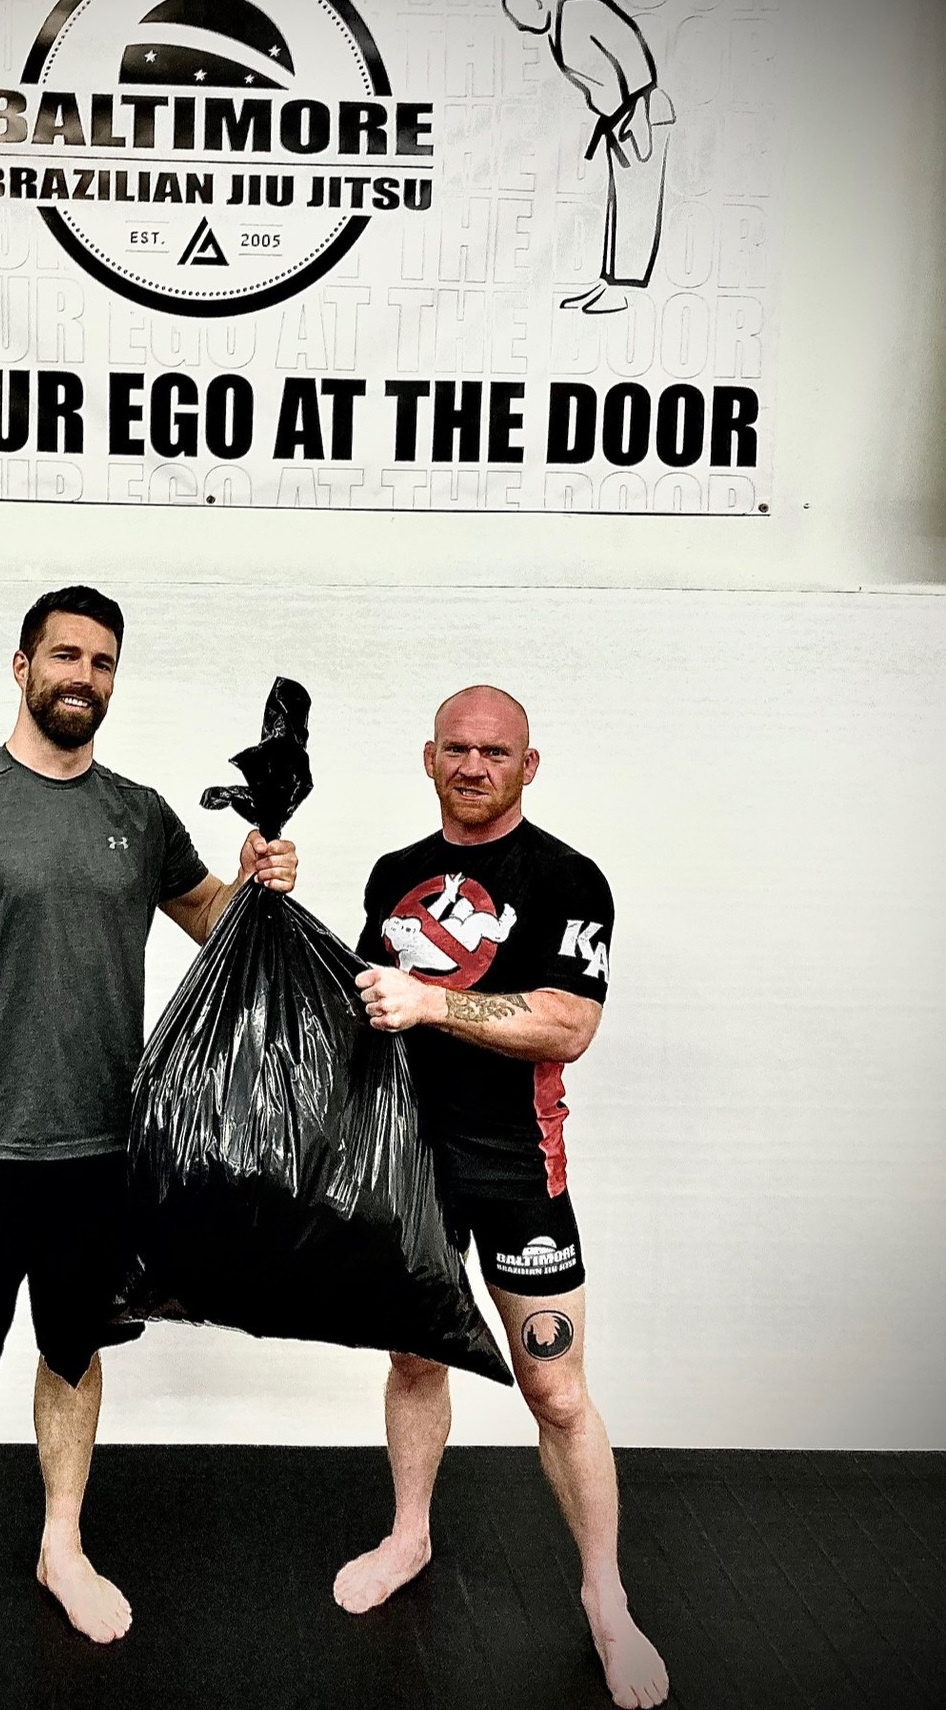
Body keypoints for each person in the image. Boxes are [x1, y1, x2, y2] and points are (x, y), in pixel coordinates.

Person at [0, 586, 297, 1677]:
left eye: (104, 662)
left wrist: (262, 884)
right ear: (23, 664)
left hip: (101, 1151)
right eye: (66, 656)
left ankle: (62, 1546)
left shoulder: (140, 813)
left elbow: (216, 924)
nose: (84, 677)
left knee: (74, 1353)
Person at [340, 685, 668, 1710]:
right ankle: (409, 1536)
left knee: (558, 1393)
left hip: (519, 1173)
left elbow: (568, 1025)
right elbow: (359, 1005)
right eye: (456, 749)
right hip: (409, 1167)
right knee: (413, 1356)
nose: (473, 765)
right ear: (428, 758)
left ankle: (605, 1599)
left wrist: (434, 1000)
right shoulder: (396, 876)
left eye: (495, 751)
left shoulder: (569, 879)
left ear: (529, 765)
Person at [502, 0, 675, 316]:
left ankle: (627, 288)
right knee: (617, 201)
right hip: (619, 119)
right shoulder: (558, 29)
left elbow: (633, 53)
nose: (521, 28)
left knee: (637, 202)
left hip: (641, 113)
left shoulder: (586, 11)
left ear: (538, 2)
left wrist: (639, 110)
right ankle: (609, 280)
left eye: (522, 19)